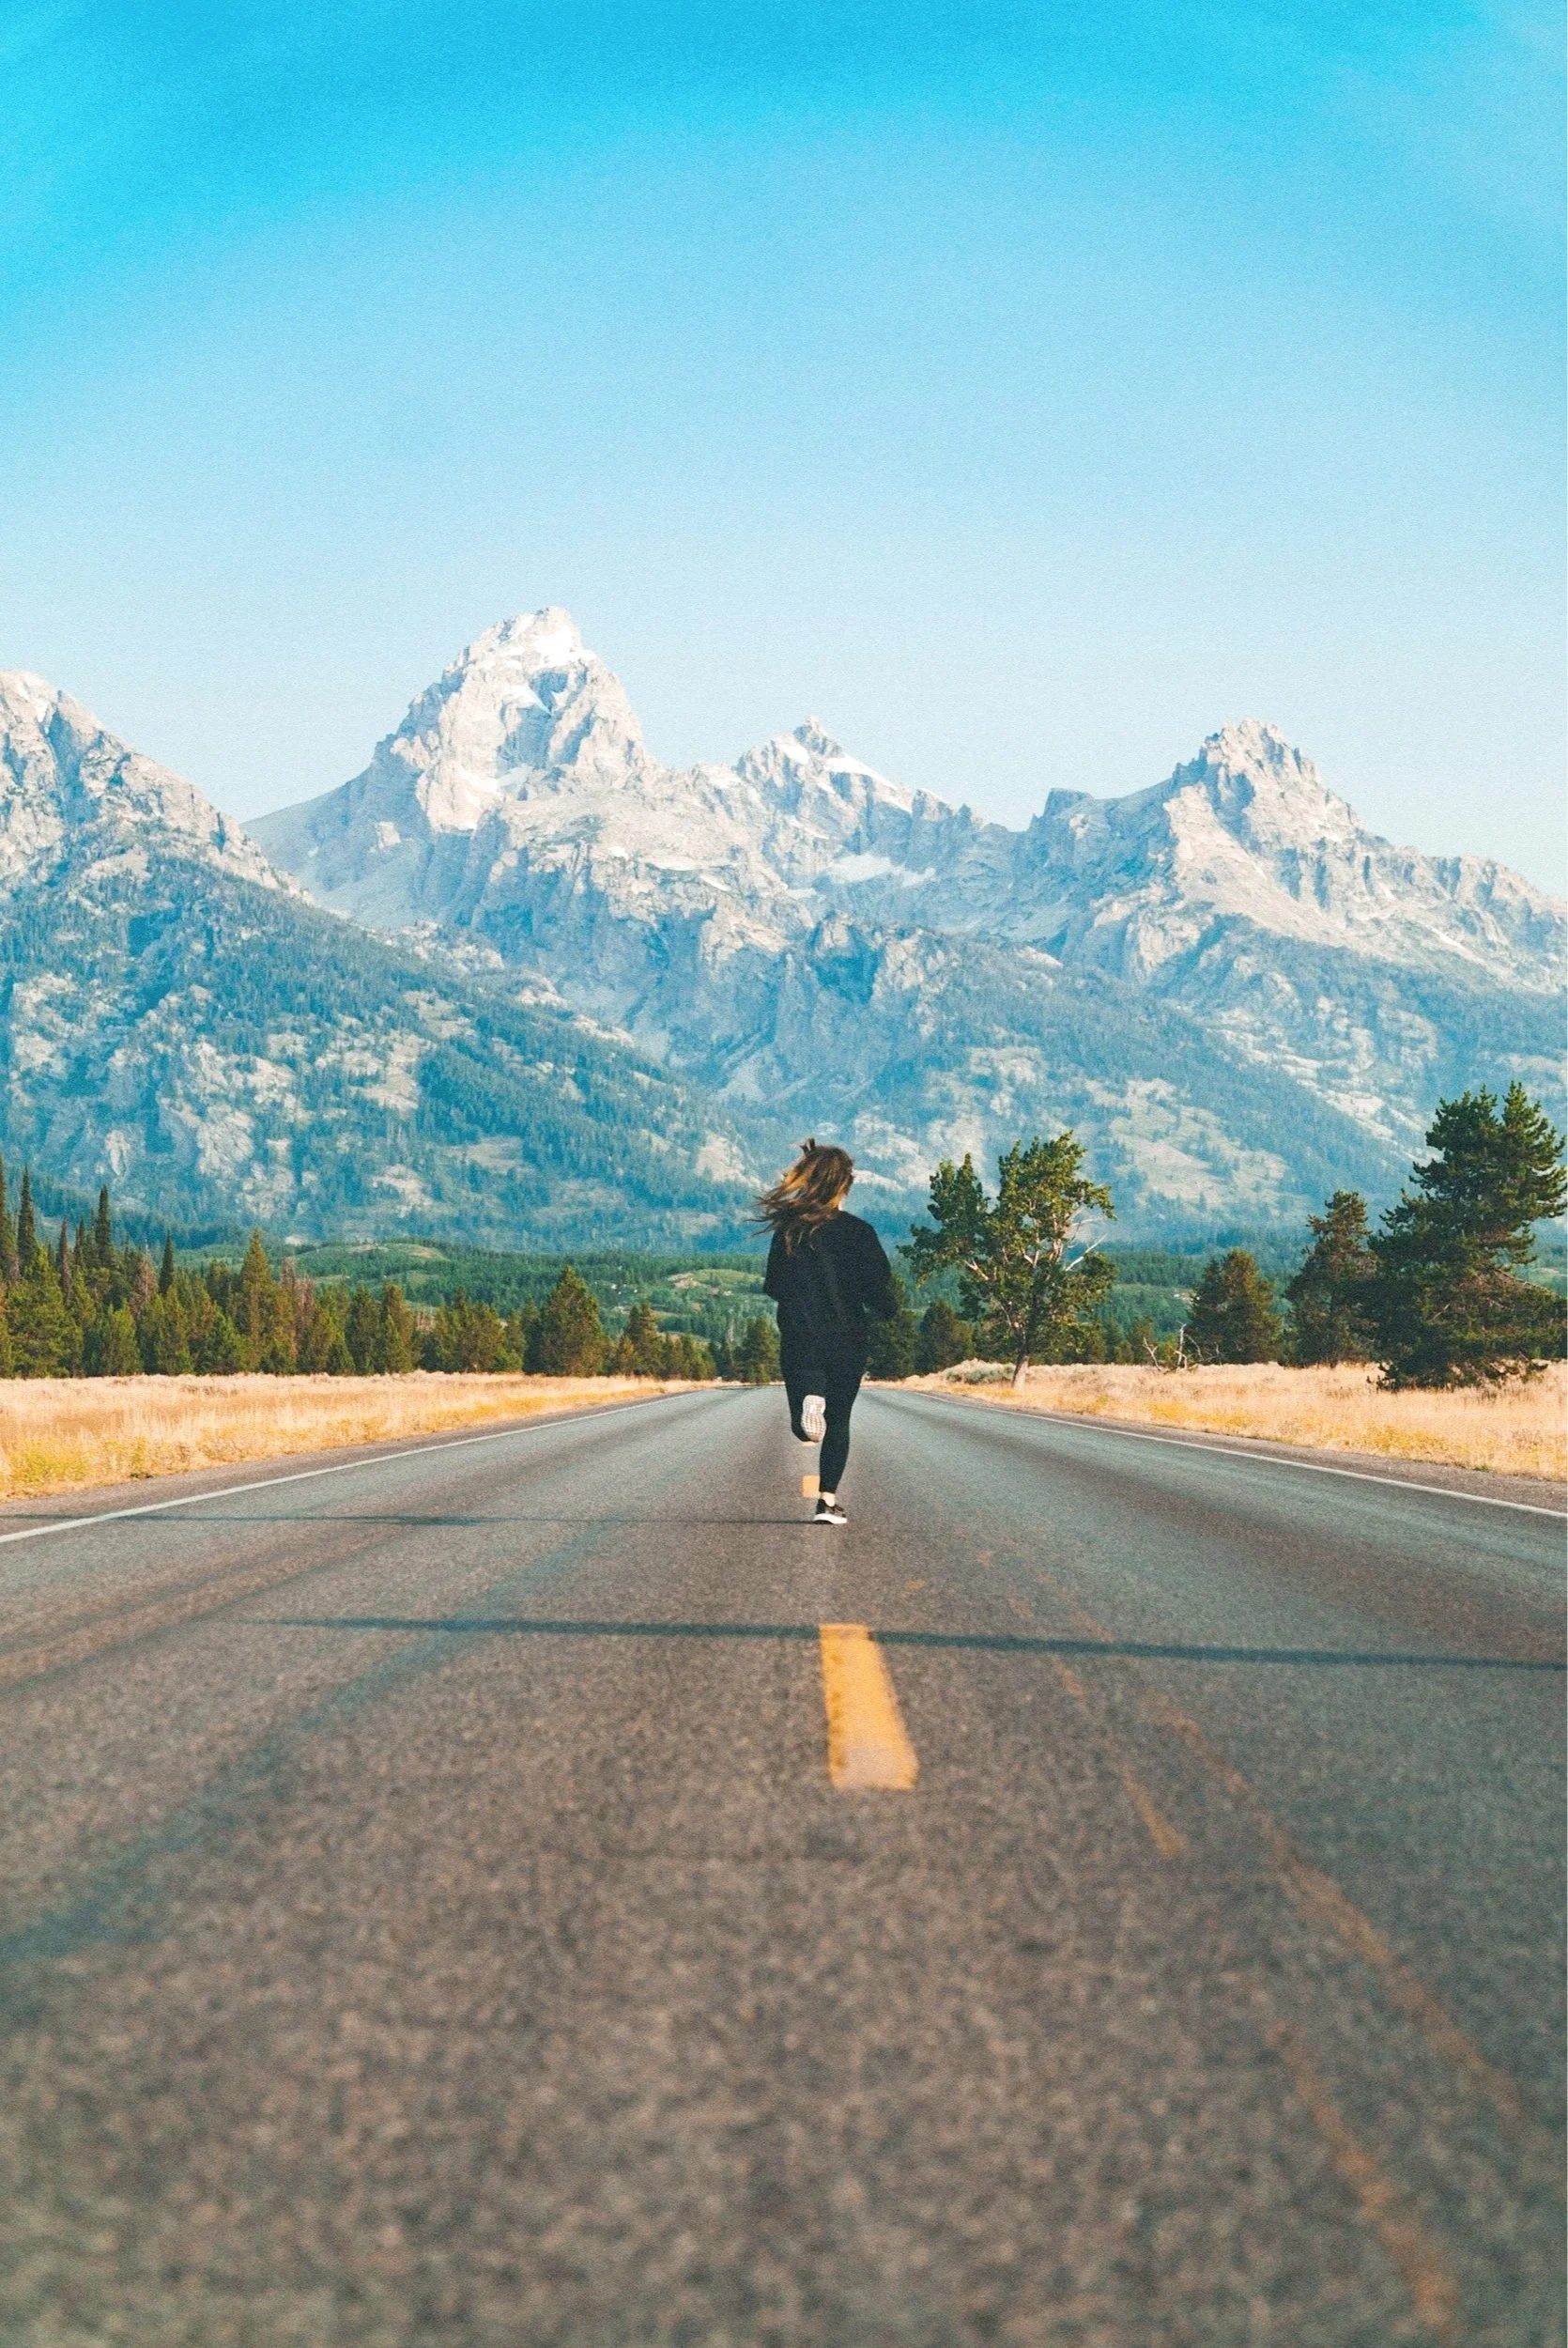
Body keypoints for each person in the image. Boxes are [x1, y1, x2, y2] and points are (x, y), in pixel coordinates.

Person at [758, 1138, 897, 1525]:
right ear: (845, 1185)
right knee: (840, 1422)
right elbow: (879, 1289)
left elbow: (774, 1285)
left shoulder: (789, 1231)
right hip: (848, 1337)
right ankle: (827, 1502)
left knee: (805, 1426)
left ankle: (808, 1403)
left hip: (801, 1335)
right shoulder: (860, 1232)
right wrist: (887, 1311)